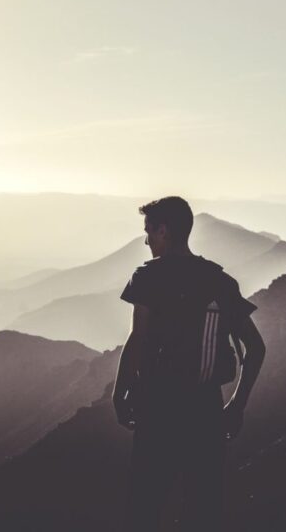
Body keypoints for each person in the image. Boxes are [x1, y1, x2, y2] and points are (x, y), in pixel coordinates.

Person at [112, 196, 266, 532]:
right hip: (206, 412)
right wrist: (236, 405)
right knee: (203, 512)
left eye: (149, 231)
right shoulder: (220, 282)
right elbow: (256, 348)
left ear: (163, 231)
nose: (146, 240)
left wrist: (120, 394)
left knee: (145, 509)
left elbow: (137, 339)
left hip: (157, 410)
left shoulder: (148, 277)